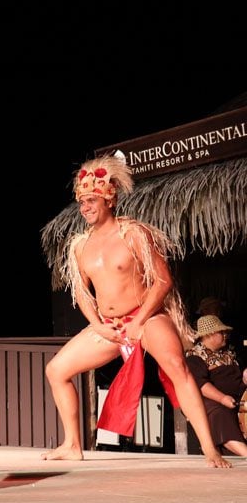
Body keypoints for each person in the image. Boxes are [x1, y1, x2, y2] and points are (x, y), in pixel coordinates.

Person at [42, 154, 232, 468]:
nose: (85, 207)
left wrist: (140, 319)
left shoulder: (133, 234)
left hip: (147, 318)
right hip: (111, 326)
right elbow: (81, 292)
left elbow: (162, 281)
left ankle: (211, 449)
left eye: (91, 200)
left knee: (177, 367)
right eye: (82, 202)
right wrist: (98, 326)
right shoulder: (80, 246)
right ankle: (72, 444)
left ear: (109, 200)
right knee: (56, 371)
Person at [185, 300, 247, 456]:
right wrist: (222, 398)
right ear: (209, 335)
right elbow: (201, 384)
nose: (226, 335)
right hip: (212, 401)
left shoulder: (229, 354)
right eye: (222, 332)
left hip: (237, 399)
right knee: (219, 414)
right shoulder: (195, 357)